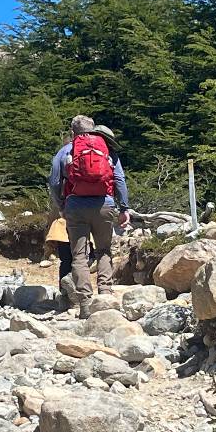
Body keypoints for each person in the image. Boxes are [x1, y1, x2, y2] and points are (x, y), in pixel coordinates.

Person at [48, 116, 131, 318]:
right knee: (103, 250)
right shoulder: (106, 148)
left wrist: (62, 205)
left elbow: (54, 182)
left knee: (79, 255)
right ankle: (105, 295)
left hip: (75, 204)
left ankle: (85, 303)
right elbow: (119, 179)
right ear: (93, 129)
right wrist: (124, 207)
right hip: (104, 203)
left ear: (72, 131)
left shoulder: (65, 150)